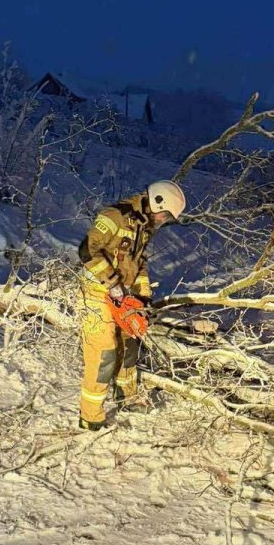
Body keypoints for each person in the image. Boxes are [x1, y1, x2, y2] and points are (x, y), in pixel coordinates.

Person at [76, 179, 187, 430]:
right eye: (164, 215)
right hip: (96, 294)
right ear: (156, 202)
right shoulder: (115, 216)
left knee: (130, 345)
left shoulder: (143, 227)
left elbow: (139, 264)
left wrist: (143, 298)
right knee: (104, 353)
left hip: (123, 296)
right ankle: (90, 416)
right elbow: (87, 250)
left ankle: (127, 397)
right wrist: (111, 282)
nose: (163, 221)